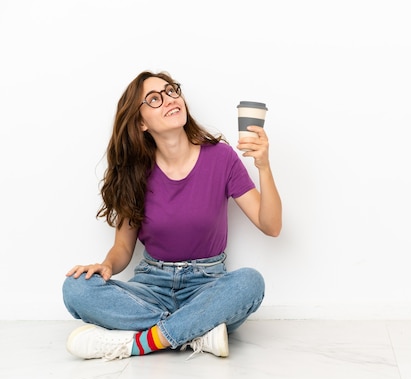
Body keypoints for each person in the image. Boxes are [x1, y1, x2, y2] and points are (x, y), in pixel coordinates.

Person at [62, 71, 282, 361]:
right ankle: (196, 330)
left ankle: (140, 343)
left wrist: (263, 166)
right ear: (141, 122)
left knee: (249, 283)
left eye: (171, 91)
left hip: (207, 285)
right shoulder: (134, 173)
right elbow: (123, 248)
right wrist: (105, 266)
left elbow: (271, 226)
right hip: (152, 286)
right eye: (154, 99)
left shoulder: (221, 157)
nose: (169, 99)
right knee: (75, 288)